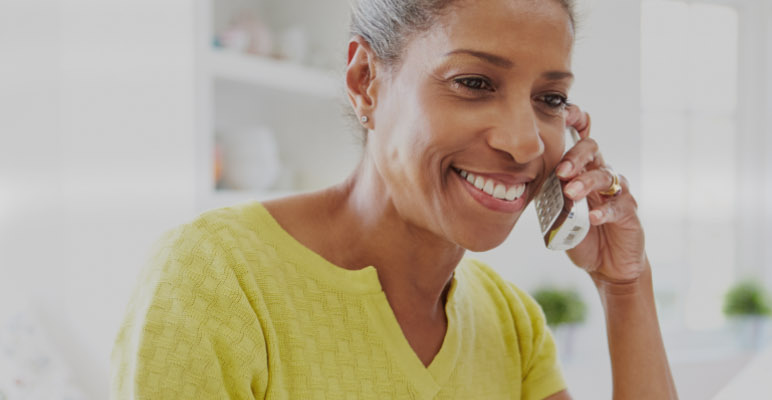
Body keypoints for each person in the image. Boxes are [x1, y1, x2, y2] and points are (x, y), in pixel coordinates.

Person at [110, 0, 676, 398]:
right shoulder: (215, 279)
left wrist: (625, 286)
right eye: (474, 83)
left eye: (550, 98)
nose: (525, 140)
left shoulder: (511, 324)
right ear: (365, 82)